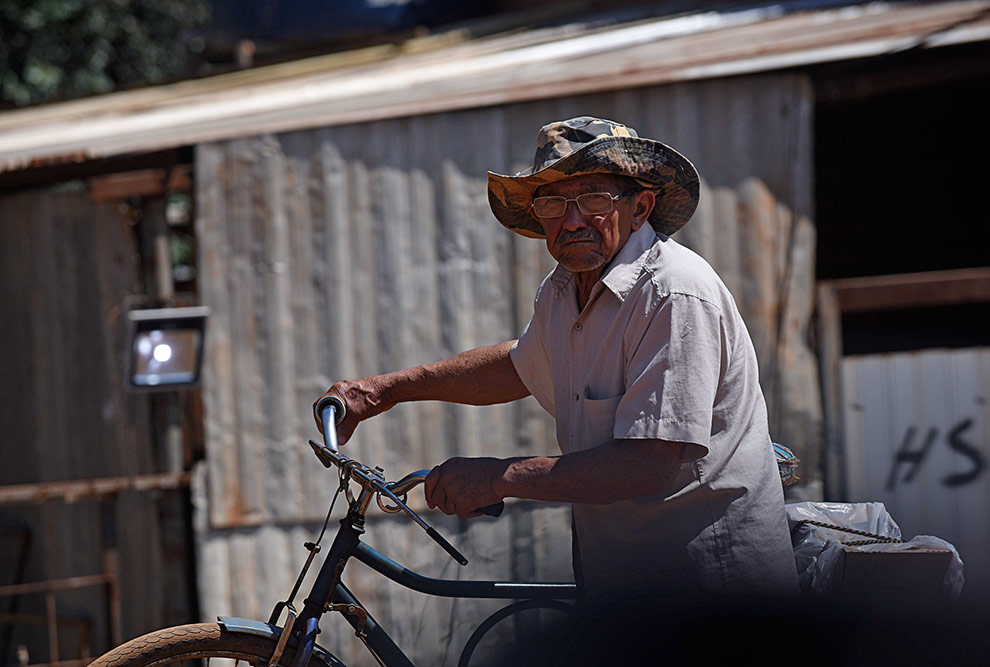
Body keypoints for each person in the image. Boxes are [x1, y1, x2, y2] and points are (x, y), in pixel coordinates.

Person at [315, 116, 798, 603]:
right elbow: (519, 366)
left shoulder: (674, 293)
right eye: (552, 202)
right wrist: (385, 390)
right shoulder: (564, 289)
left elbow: (646, 465)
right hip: (627, 588)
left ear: (640, 208)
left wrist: (498, 477)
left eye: (594, 199)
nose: (571, 220)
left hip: (713, 596)